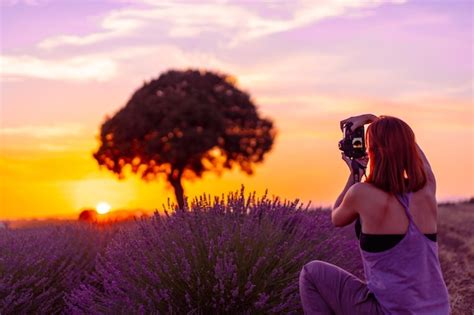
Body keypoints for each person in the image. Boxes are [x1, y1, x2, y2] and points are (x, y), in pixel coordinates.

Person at [299, 114, 451, 314]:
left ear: (372, 151)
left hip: (390, 312)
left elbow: (337, 217)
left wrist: (356, 174)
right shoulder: (427, 188)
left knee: (311, 272)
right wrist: (378, 120)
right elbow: (414, 150)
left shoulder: (361, 193)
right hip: (439, 311)